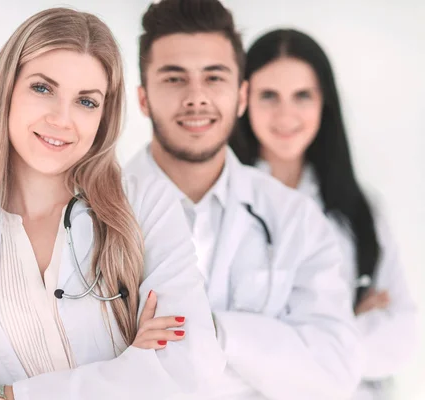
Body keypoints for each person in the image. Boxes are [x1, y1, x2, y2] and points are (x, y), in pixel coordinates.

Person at [0, 7, 226, 400]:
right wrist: (133, 367)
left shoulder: (144, 206)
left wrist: (4, 395)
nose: (62, 118)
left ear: (103, 117)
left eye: (86, 102)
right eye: (42, 88)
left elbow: (192, 372)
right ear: (6, 89)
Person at [125, 1, 363, 399]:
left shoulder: (294, 217)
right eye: (174, 79)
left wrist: (217, 332)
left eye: (214, 78)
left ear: (241, 95)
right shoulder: (91, 211)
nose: (196, 98)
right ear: (144, 98)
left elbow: (335, 371)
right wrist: (270, 351)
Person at [230, 28, 418, 400]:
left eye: (302, 96)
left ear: (324, 103)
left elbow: (401, 335)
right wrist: (344, 326)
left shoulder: (360, 209)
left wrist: (272, 341)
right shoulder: (222, 202)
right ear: (243, 100)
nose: (286, 114)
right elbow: (216, 342)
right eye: (269, 96)